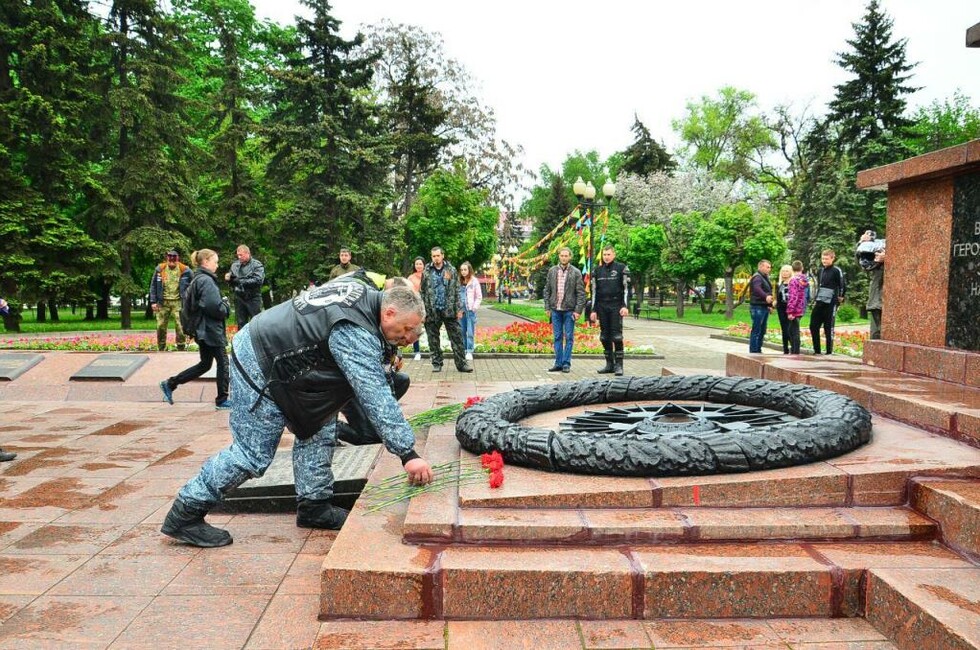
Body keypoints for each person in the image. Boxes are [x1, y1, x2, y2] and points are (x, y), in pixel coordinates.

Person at [160, 283, 433, 548]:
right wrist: (408, 454)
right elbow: (374, 394)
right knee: (252, 452)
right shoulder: (354, 330)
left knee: (319, 426)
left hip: (288, 362)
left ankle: (315, 506)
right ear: (389, 313)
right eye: (407, 329)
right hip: (260, 358)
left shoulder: (364, 295)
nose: (408, 338)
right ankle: (186, 512)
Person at [159, 249, 231, 410]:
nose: (217, 265)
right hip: (210, 329)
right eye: (215, 261)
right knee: (223, 363)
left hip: (202, 329)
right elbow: (213, 306)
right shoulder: (206, 281)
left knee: (205, 364)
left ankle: (170, 384)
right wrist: (226, 307)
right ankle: (222, 400)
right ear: (205, 262)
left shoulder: (198, 279)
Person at [420, 246, 472, 373]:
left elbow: (457, 290)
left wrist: (459, 309)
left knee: (457, 338)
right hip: (432, 310)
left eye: (438, 255)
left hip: (449, 310)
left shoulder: (451, 270)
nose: (436, 258)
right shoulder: (427, 270)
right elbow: (422, 291)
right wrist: (422, 311)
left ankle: (461, 364)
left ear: (442, 255)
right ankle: (437, 363)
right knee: (433, 339)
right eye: (433, 256)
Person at [543, 247, 586, 373]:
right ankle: (558, 363)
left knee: (569, 337)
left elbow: (581, 293)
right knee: (557, 337)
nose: (564, 258)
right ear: (559, 256)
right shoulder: (552, 271)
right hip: (555, 309)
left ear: (570, 257)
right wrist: (547, 307)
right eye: (562, 255)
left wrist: (578, 311)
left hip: (569, 310)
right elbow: (547, 290)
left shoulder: (576, 272)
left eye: (566, 256)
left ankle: (566, 363)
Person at [591, 245, 630, 376]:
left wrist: (625, 306)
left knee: (617, 336)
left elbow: (626, 289)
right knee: (604, 336)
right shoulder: (597, 270)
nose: (606, 257)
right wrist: (593, 310)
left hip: (616, 306)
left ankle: (619, 366)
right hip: (602, 306)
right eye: (604, 254)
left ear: (614, 255)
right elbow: (594, 292)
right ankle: (609, 364)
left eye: (608, 254)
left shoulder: (622, 268)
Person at [149, 250, 192, 352]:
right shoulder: (160, 269)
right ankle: (161, 348)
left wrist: (189, 300)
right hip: (162, 302)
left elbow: (193, 285)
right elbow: (153, 285)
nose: (172, 259)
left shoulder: (185, 270)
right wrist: (153, 301)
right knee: (160, 326)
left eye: (174, 257)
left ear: (178, 258)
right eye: (170, 257)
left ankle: (181, 348)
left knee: (180, 327)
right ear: (167, 258)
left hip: (178, 302)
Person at [809, 249, 847, 355]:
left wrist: (840, 297)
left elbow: (842, 284)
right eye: (823, 258)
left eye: (826, 259)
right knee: (813, 325)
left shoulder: (836, 270)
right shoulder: (821, 270)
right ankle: (817, 350)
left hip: (831, 302)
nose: (824, 261)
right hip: (820, 300)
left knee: (828, 327)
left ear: (832, 258)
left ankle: (829, 352)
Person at [225, 245, 264, 330]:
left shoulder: (256, 265)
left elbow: (258, 280)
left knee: (256, 322)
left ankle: (258, 341)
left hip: (253, 297)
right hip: (239, 297)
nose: (239, 257)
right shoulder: (235, 265)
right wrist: (229, 278)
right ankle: (241, 342)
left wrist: (241, 281)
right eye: (238, 255)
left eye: (241, 255)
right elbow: (231, 279)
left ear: (247, 253)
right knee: (241, 322)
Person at [857, 231, 885, 340]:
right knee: (876, 336)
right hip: (876, 300)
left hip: (890, 301)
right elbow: (863, 264)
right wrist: (862, 243)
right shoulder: (876, 247)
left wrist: (889, 256)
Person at [748, 260, 774, 354]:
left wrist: (770, 305)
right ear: (761, 267)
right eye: (767, 267)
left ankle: (758, 349)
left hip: (764, 307)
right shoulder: (757, 277)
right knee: (757, 329)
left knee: (762, 330)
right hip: (757, 306)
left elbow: (768, 291)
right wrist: (765, 297)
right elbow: (757, 289)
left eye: (770, 267)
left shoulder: (765, 277)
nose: (769, 269)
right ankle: (754, 350)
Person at [458, 261, 482, 362]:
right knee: (462, 331)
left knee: (470, 332)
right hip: (461, 311)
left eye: (465, 270)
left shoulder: (474, 281)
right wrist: (457, 310)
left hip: (470, 311)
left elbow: (479, 296)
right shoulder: (459, 282)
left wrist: (474, 308)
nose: (463, 272)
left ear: (469, 270)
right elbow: (456, 297)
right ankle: (463, 350)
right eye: (462, 270)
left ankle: (469, 351)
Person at [785, 261, 809, 354]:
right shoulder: (805, 281)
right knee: (793, 330)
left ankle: (795, 352)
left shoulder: (793, 280)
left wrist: (790, 311)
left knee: (793, 331)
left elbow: (793, 296)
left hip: (794, 309)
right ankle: (795, 351)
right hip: (801, 307)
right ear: (802, 268)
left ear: (792, 269)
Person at [407, 257, 425, 360]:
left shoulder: (428, 276)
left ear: (424, 265)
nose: (418, 266)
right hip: (415, 305)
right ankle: (417, 351)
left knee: (431, 329)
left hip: (427, 305)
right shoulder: (410, 278)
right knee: (416, 328)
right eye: (416, 264)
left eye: (420, 264)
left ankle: (433, 352)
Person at [774, 264, 794, 354]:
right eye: (782, 271)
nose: (784, 273)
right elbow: (778, 296)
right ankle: (785, 349)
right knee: (784, 328)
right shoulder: (779, 284)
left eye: (786, 271)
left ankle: (794, 347)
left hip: (790, 308)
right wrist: (775, 302)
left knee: (789, 329)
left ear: (790, 272)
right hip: (781, 308)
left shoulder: (793, 283)